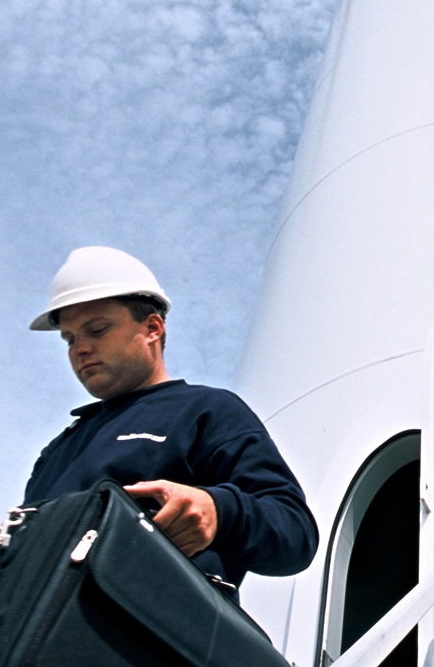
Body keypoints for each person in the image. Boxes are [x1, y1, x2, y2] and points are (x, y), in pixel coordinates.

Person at [24, 246, 318, 589]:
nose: (79, 349)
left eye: (97, 330)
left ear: (152, 327)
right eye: (70, 339)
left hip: (145, 634)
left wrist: (218, 511)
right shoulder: (58, 451)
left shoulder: (205, 411)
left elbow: (295, 532)